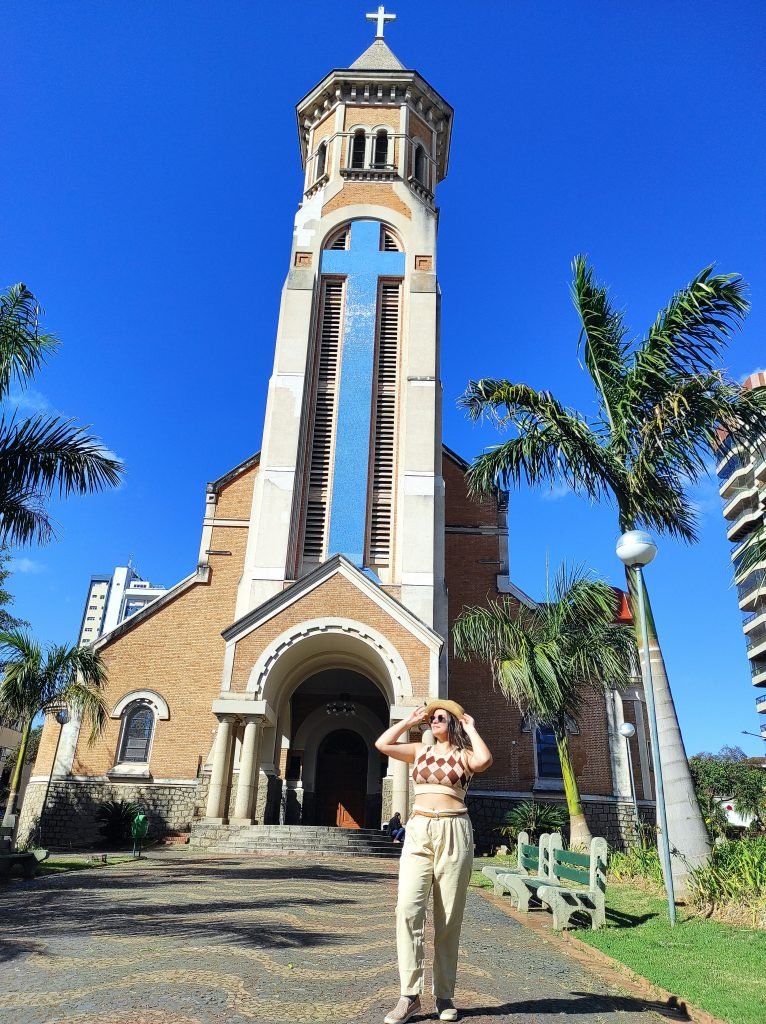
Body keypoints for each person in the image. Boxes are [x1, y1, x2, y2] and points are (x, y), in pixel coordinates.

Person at [375, 700, 493, 1024]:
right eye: (431, 718)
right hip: (419, 830)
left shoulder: (465, 755)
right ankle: (409, 995)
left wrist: (469, 726)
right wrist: (409, 721)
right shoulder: (419, 752)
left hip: (455, 830)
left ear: (452, 722)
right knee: (408, 909)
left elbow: (484, 759)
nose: (433, 721)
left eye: (439, 717)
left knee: (448, 917)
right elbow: (382, 744)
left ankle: (444, 995)